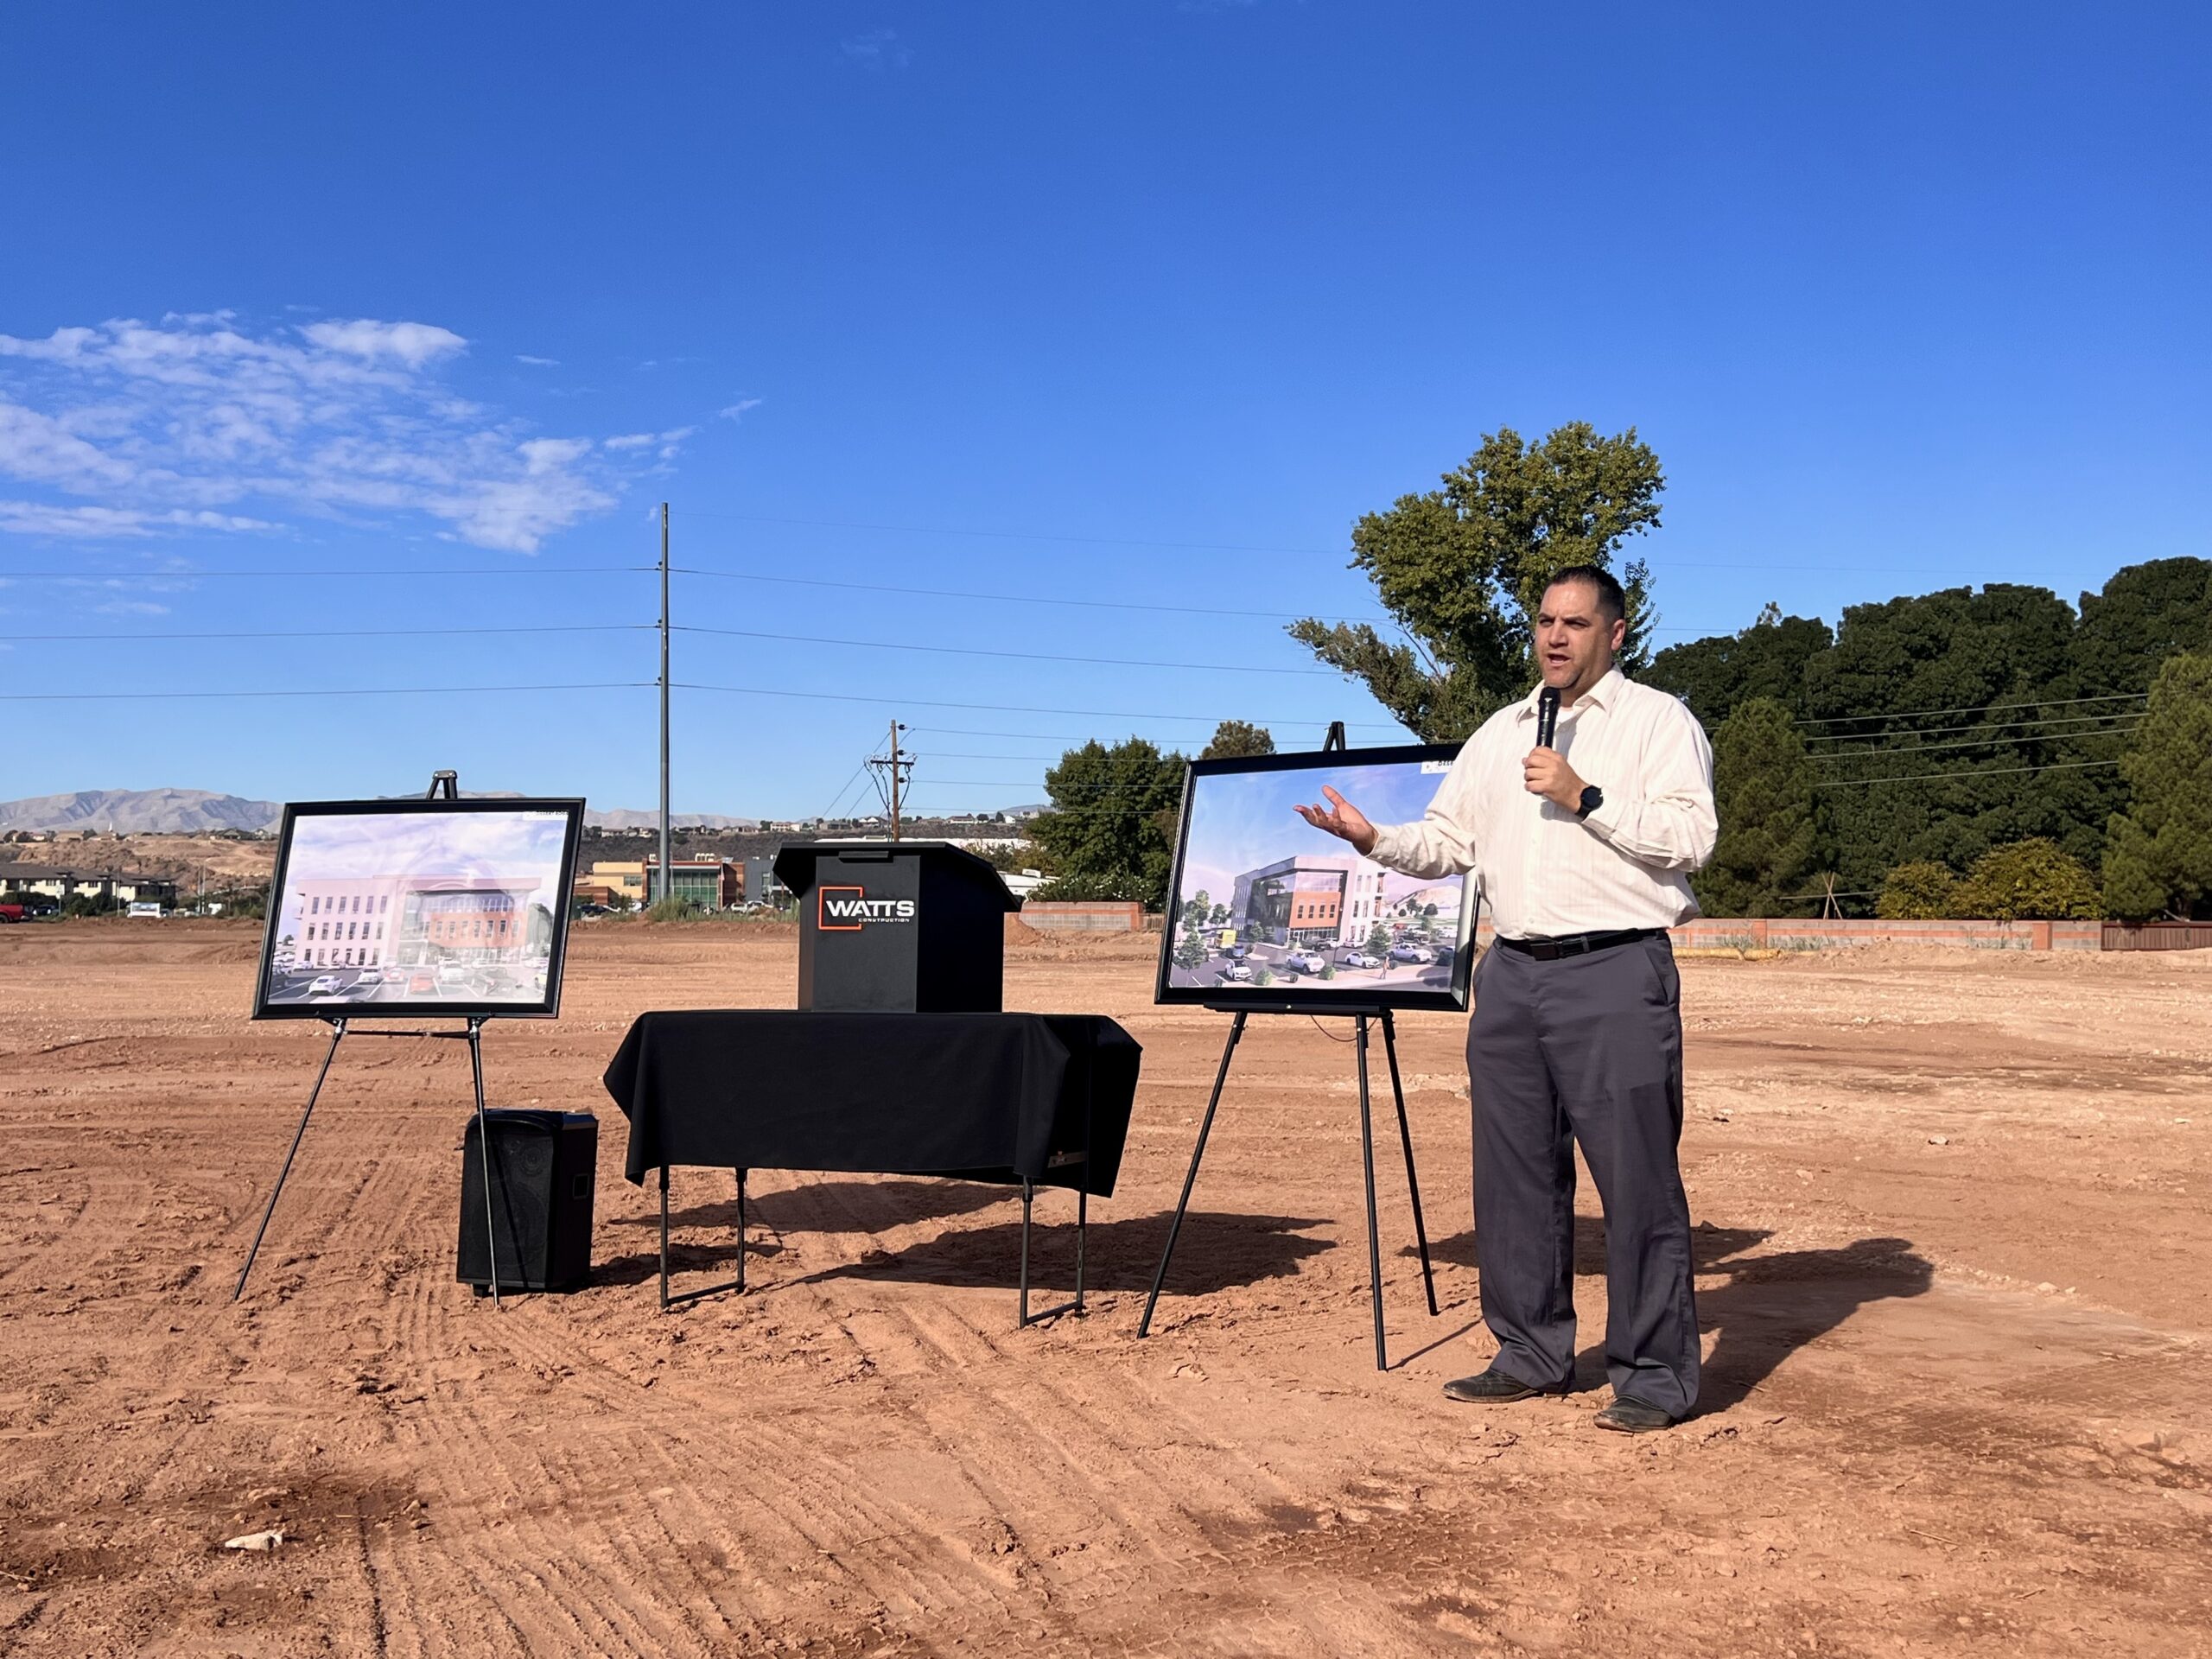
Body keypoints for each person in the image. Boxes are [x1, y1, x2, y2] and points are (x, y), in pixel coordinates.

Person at [1294, 565, 1716, 1432]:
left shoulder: (1657, 721)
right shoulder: (1499, 732)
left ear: (1615, 634)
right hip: (1512, 973)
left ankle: (1652, 1376)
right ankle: (1529, 1353)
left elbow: (1691, 838)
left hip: (1614, 968)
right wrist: (1372, 838)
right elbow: (1447, 841)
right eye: (1544, 622)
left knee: (1636, 1180)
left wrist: (1583, 795)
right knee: (1514, 1176)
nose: (1555, 637)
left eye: (1575, 623)